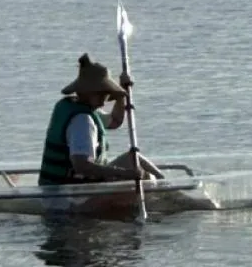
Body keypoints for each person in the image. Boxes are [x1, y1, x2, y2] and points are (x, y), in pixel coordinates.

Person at [38, 54, 164, 185]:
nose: (106, 97)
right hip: (71, 197)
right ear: (88, 92)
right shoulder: (82, 121)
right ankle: (172, 198)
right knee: (147, 181)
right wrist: (123, 173)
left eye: (107, 92)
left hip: (76, 188)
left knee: (133, 158)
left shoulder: (78, 108)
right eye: (102, 93)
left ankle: (170, 188)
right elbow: (82, 166)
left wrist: (121, 95)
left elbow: (115, 121)